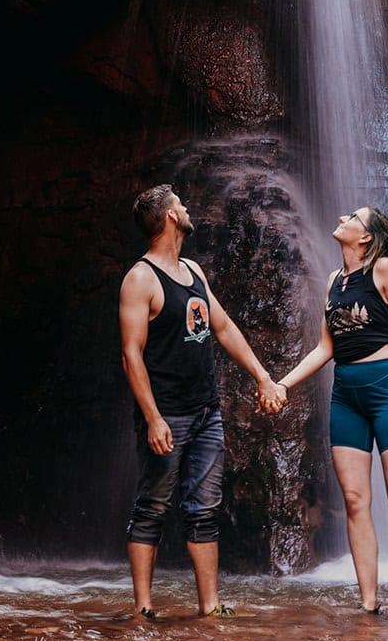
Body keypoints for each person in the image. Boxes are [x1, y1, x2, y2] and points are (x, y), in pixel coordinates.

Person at [270, 206, 388, 620]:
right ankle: (369, 602)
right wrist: (283, 383)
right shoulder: (333, 283)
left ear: (366, 238)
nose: (342, 216)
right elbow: (325, 348)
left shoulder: (384, 270)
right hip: (346, 397)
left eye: (354, 216)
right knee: (356, 500)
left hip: (387, 390)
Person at [119, 184, 287, 618]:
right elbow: (131, 354)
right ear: (170, 218)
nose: (187, 207)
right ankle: (143, 608)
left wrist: (263, 377)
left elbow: (225, 327)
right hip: (167, 414)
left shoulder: (193, 270)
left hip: (206, 411)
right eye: (181, 204)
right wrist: (153, 418)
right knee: (152, 506)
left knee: (205, 509)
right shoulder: (141, 279)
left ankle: (209, 607)